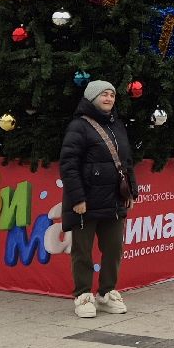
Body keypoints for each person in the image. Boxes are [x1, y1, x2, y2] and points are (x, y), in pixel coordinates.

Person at [60, 80, 138, 319]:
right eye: (104, 94)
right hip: (86, 202)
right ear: (92, 98)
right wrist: (78, 198)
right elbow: (69, 165)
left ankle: (106, 293)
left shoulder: (117, 125)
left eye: (112, 95)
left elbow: (126, 162)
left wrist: (131, 191)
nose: (108, 99)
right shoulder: (79, 126)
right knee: (83, 252)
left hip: (114, 200)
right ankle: (83, 295)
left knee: (114, 249)